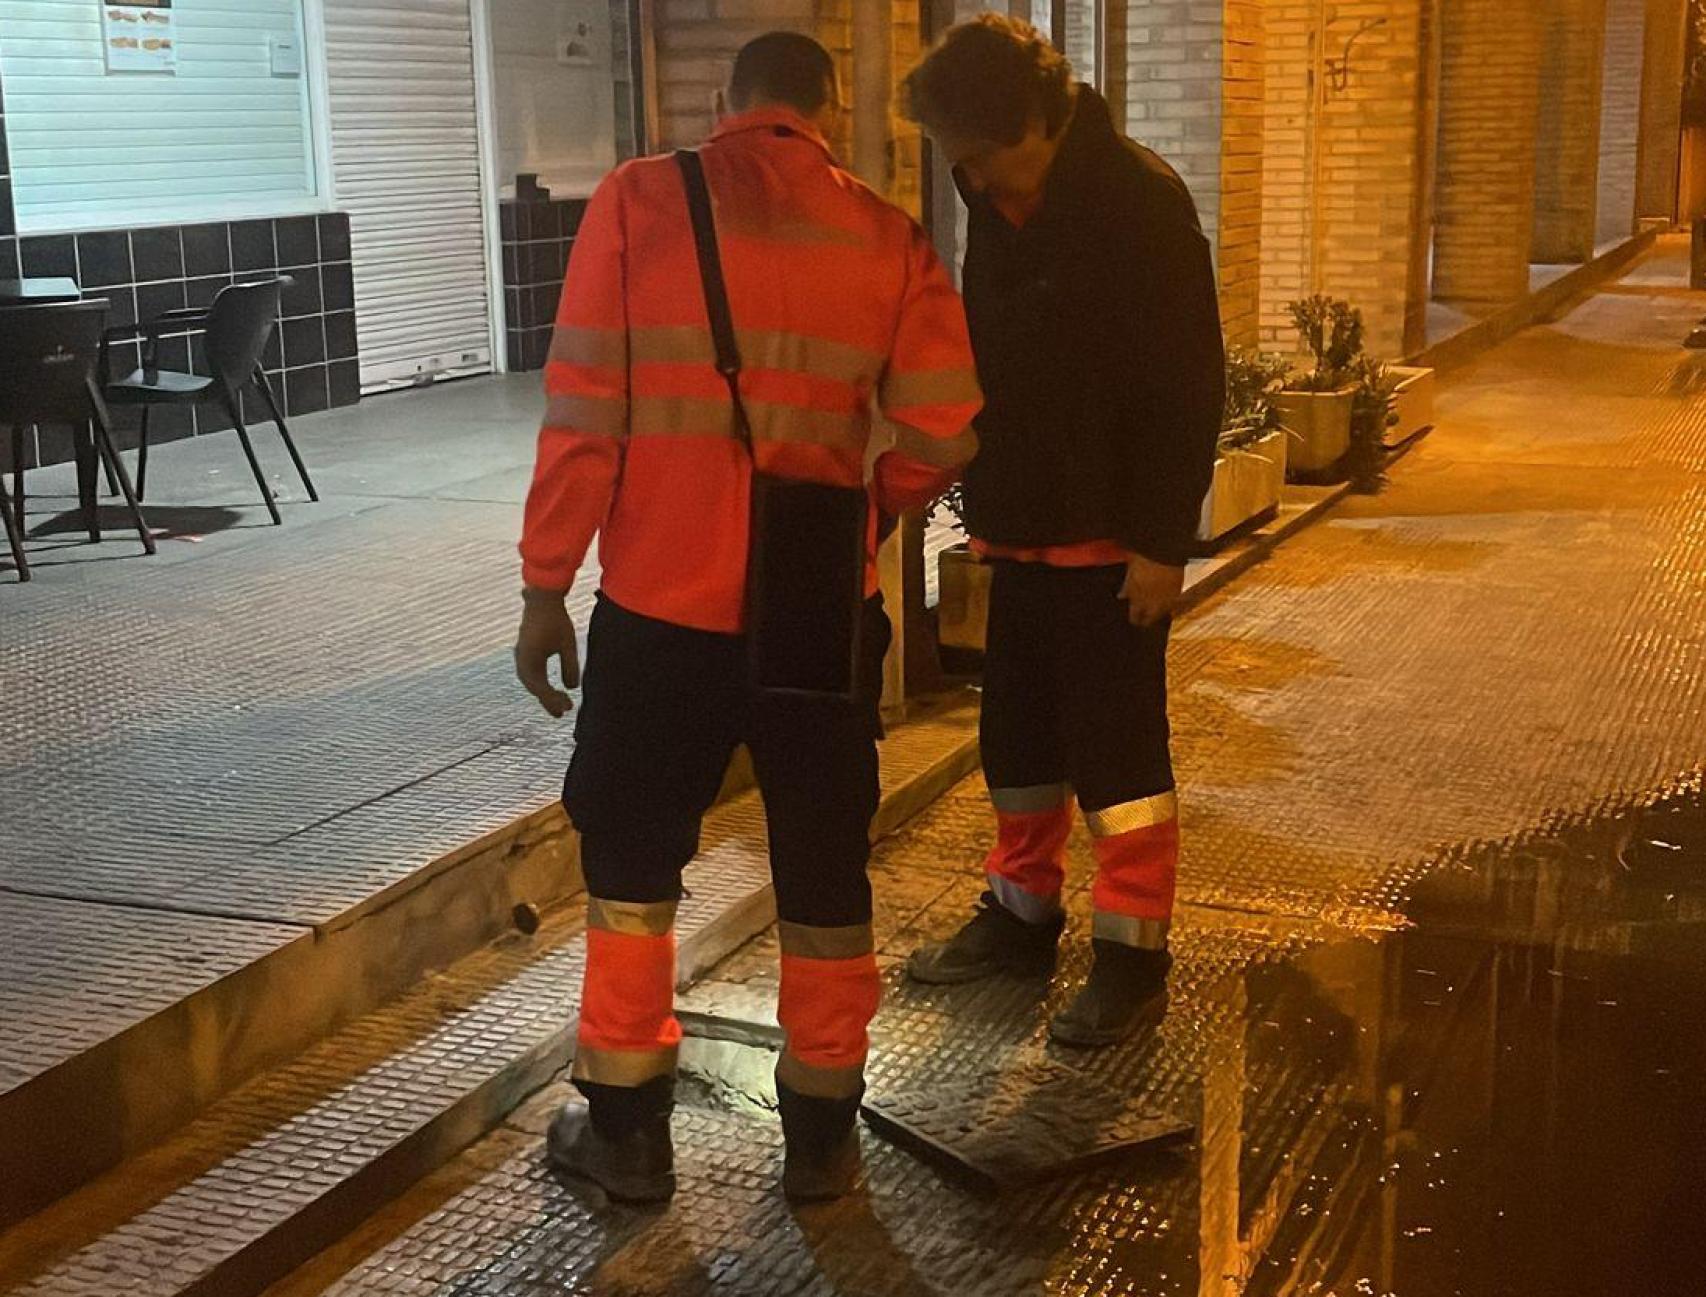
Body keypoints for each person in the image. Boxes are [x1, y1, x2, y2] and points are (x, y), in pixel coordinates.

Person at [513, 31, 980, 1204]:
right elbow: (945, 426)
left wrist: (543, 582)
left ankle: (627, 1132)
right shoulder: (886, 235)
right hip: (816, 608)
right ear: (828, 109)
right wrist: (867, 507)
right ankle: (820, 1131)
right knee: (823, 866)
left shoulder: (636, 204)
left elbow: (582, 409)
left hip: (659, 608)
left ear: (727, 99)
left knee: (632, 863)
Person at [900, 16, 1224, 1046]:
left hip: (1112, 544)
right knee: (1019, 744)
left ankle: (1130, 957)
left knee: (1118, 759)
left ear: (1036, 122)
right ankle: (1018, 916)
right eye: (958, 162)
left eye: (981, 158)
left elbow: (1186, 385)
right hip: (1016, 530)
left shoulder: (1141, 201)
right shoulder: (990, 198)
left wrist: (1162, 542)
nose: (971, 180)